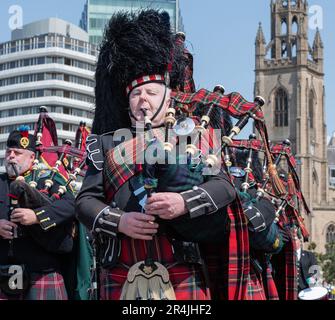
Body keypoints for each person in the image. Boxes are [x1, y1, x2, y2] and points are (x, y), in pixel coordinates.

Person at [76, 9, 252, 300]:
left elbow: (223, 187)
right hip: (121, 267)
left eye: (152, 93)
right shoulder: (104, 144)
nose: (143, 100)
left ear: (169, 97)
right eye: (136, 94)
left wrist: (183, 202)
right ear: (127, 101)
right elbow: (84, 202)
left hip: (182, 268)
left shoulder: (194, 136)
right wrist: (119, 221)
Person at [0, 128, 76, 300]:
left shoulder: (48, 179)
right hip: (3, 274)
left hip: (43, 272)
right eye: (9, 152)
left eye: (17, 152)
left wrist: (37, 217)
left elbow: (71, 206)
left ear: (32, 157)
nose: (11, 155)